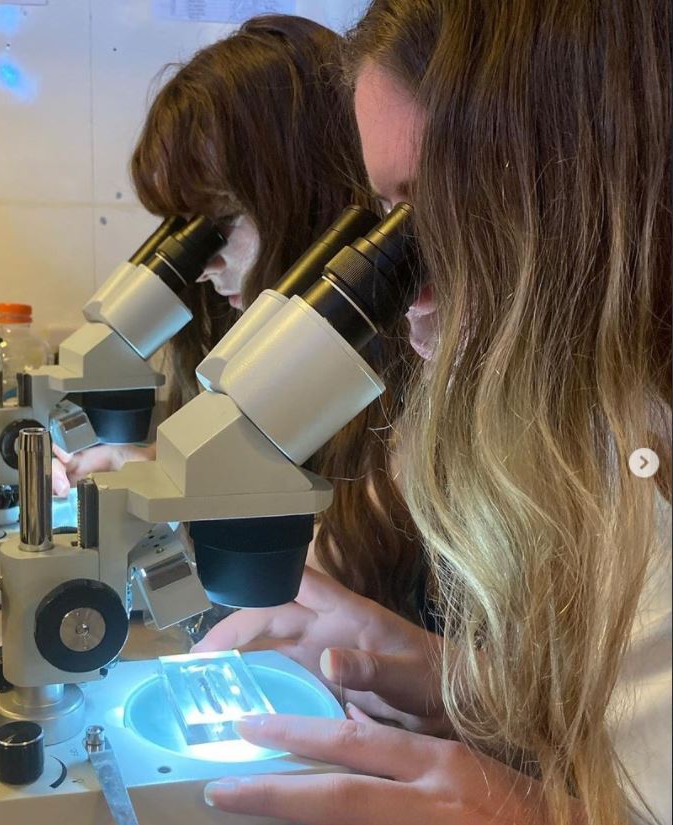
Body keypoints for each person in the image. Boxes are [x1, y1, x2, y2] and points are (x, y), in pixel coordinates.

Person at [194, 1, 672, 824]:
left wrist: (546, 818)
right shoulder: (602, 422)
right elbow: (630, 716)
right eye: (391, 223)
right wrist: (443, 676)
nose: (410, 299)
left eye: (444, 212)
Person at [53, 14, 426, 617]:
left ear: (311, 197)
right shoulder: (235, 351)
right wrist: (152, 470)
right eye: (185, 232)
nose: (200, 266)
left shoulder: (419, 403)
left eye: (216, 226)